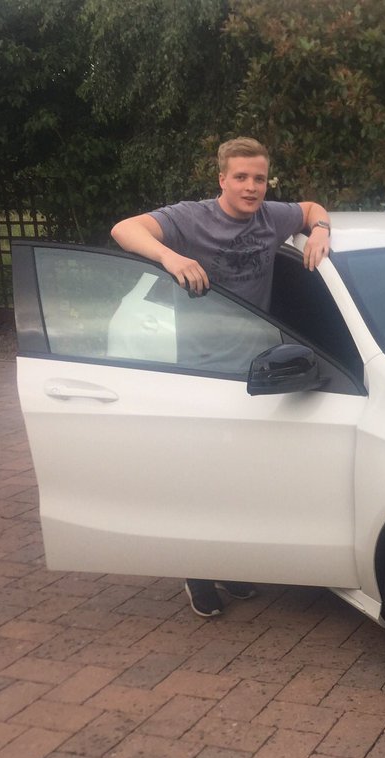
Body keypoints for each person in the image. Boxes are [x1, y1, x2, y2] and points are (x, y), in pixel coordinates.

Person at [111, 137, 332, 618]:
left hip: (257, 369)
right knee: (201, 477)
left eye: (259, 178)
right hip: (201, 370)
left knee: (243, 476)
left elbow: (312, 206)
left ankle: (230, 561)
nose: (252, 187)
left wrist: (319, 230)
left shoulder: (273, 217)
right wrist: (170, 257)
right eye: (241, 177)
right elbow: (124, 229)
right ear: (222, 180)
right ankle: (197, 568)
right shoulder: (190, 218)